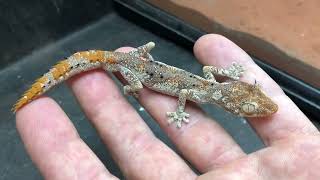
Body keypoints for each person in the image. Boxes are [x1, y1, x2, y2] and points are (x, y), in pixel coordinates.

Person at [15, 34, 320, 179]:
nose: (256, 111)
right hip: (135, 69)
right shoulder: (205, 95)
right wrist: (177, 107)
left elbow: (206, 73)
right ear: (233, 104)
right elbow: (187, 88)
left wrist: (227, 76)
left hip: (139, 61)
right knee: (135, 87)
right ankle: (125, 81)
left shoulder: (214, 87)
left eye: (252, 106)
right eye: (252, 107)